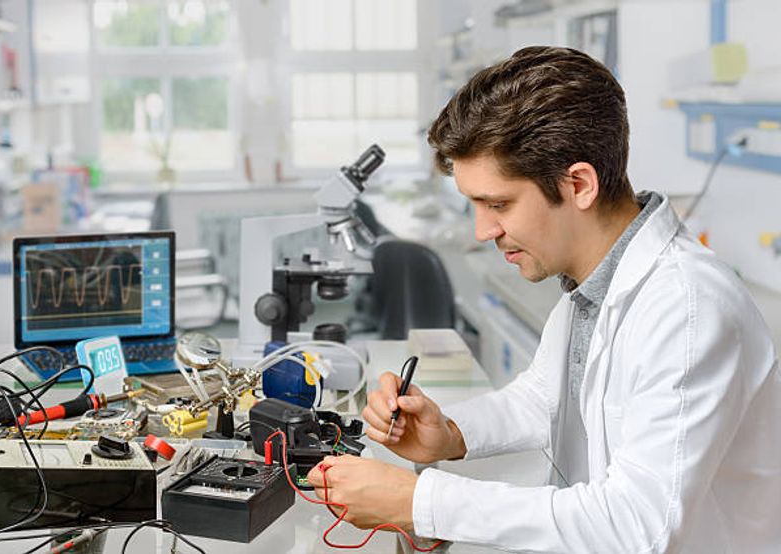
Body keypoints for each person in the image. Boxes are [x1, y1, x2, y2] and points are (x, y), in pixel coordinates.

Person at [306, 46, 781, 552]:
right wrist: (451, 433)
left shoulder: (687, 309)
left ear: (579, 185)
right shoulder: (597, 276)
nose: (483, 230)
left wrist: (420, 501)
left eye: (498, 203)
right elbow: (543, 399)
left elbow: (639, 526)